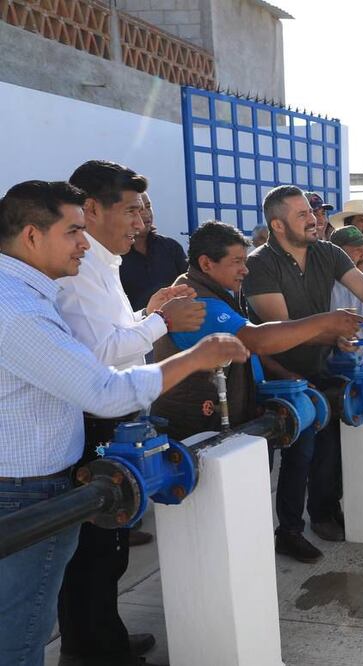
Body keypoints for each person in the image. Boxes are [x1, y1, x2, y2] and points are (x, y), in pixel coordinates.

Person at [0, 180, 249, 666]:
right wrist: (196, 356)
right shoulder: (19, 310)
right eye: (73, 231)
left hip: (34, 483)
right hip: (28, 491)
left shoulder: (28, 294)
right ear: (32, 236)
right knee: (21, 631)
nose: (82, 243)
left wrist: (148, 316)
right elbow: (104, 390)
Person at [56, 160, 207, 665]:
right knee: (93, 551)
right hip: (91, 421)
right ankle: (91, 651)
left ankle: (107, 638)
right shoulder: (79, 272)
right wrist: (161, 322)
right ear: (92, 208)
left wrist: (148, 313)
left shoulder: (105, 263)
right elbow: (97, 355)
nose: (140, 223)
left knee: (111, 548)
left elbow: (116, 337)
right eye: (130, 210)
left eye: (143, 211)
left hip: (114, 413)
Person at [243, 185, 363, 560]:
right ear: (278, 226)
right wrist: (331, 328)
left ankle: (325, 513)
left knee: (330, 442)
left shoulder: (326, 252)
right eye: (302, 215)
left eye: (311, 213)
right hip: (277, 372)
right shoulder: (260, 263)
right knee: (300, 450)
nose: (313, 219)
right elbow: (280, 329)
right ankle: (289, 530)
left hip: (320, 365)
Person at [151, 222, 363, 440]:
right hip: (197, 432)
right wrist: (325, 321)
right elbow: (256, 340)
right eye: (237, 262)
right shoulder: (198, 303)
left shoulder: (215, 291)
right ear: (206, 263)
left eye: (245, 261)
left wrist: (284, 374)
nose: (245, 270)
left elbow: (245, 348)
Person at [119, 191, 187, 311]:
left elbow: (188, 284)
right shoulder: (116, 255)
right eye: (138, 209)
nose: (146, 213)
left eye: (148, 207)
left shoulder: (171, 247)